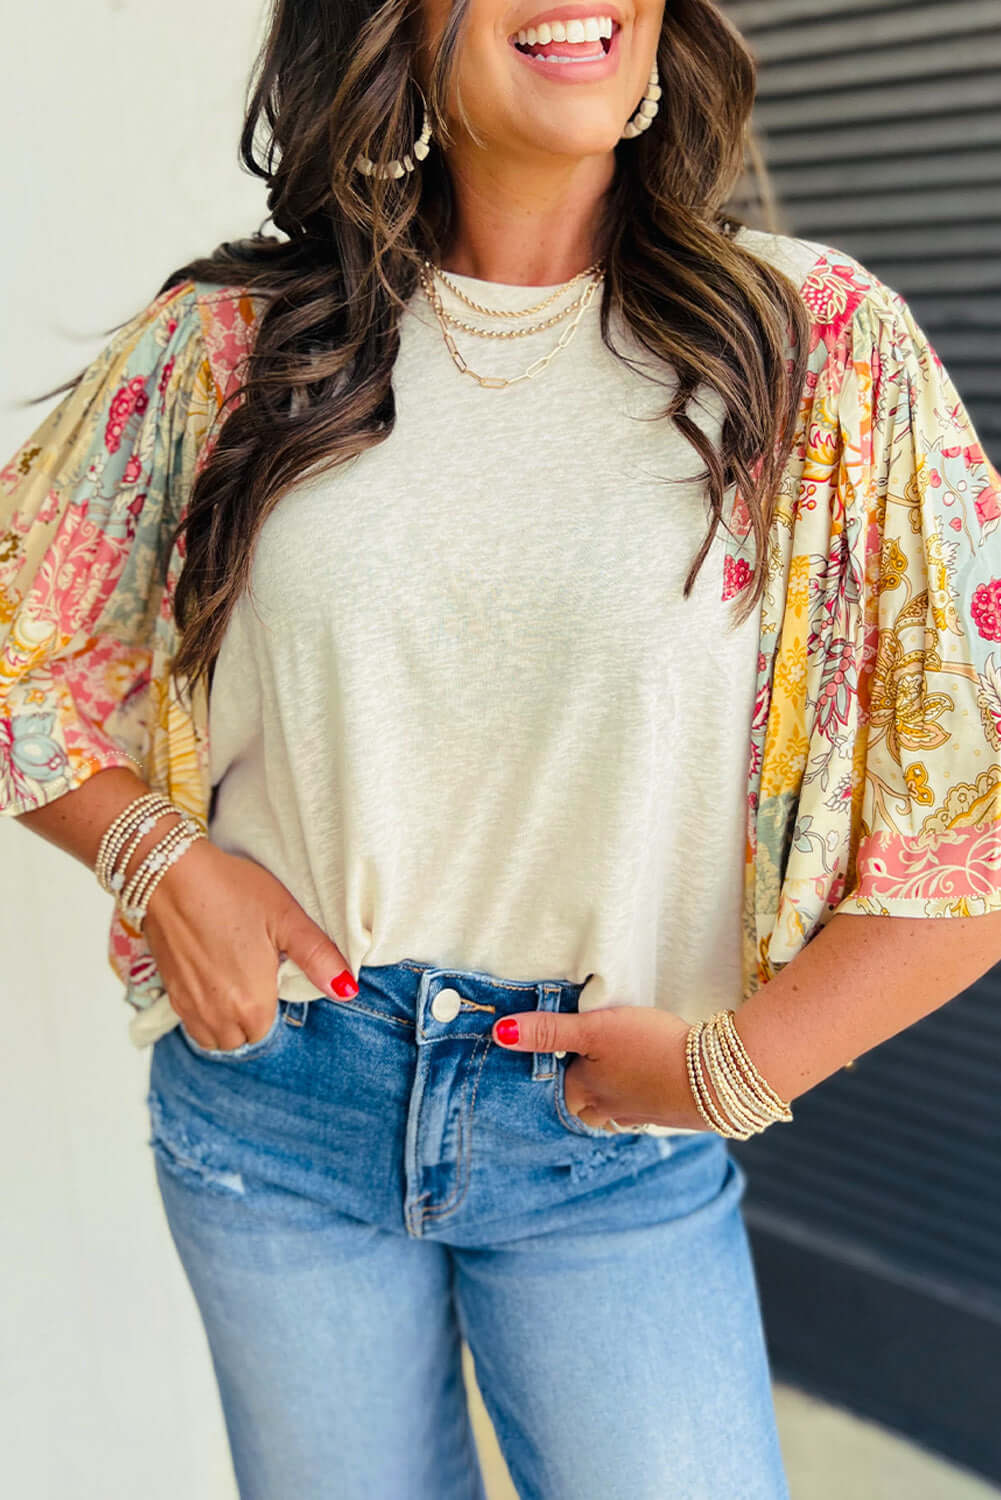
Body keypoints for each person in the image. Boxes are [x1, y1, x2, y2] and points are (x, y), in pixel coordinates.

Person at [4, 2, 1001, 1496]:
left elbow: (972, 805)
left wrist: (739, 1069)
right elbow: (25, 624)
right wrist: (156, 857)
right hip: (275, 1101)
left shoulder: (815, 348)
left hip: (604, 1128)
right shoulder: (235, 343)